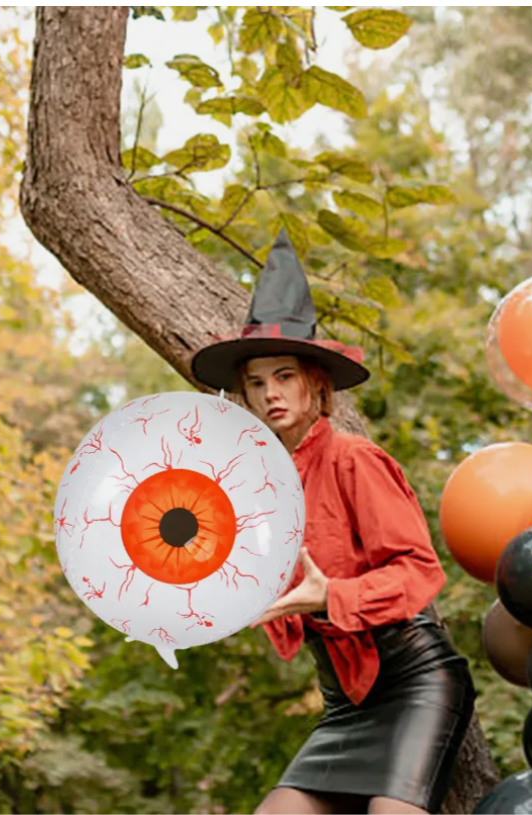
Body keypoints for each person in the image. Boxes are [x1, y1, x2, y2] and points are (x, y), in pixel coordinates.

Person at [190, 231, 476, 815]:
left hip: (414, 682)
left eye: (284, 376)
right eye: (256, 382)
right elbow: (265, 597)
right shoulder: (258, 491)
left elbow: (419, 572)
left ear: (316, 384)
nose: (271, 393)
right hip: (344, 701)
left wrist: (333, 596)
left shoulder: (354, 459)